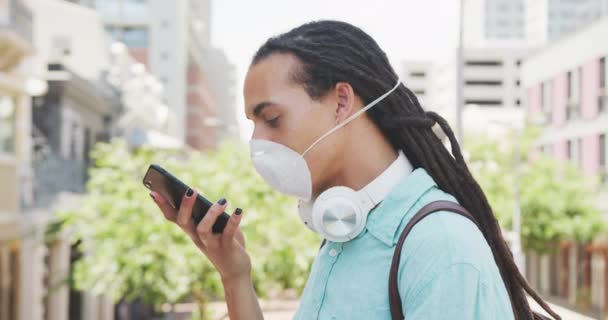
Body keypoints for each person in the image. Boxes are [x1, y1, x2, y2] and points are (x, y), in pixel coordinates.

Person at [150, 20, 560, 320]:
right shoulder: (345, 235)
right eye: (253, 126)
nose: (259, 145)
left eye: (272, 119)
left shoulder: (440, 247)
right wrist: (235, 276)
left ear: (341, 101)